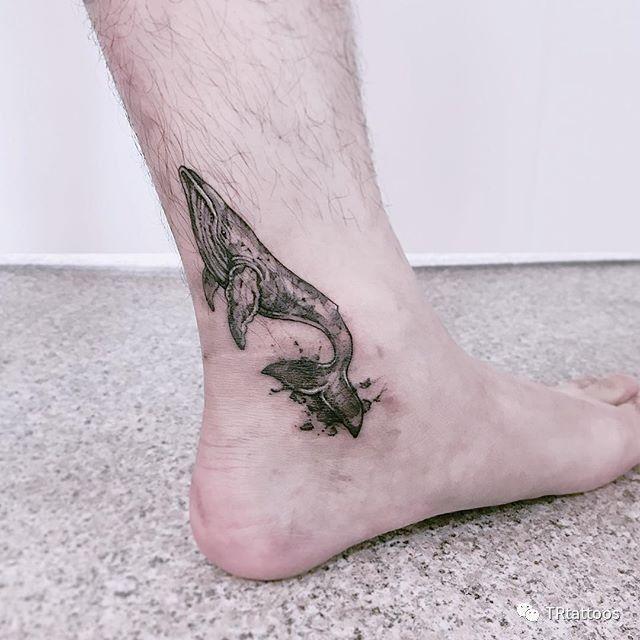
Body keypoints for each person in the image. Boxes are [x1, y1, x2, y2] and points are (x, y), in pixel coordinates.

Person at [82, 0, 640, 580]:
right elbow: (240, 276)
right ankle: (402, 399)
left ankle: (316, 431)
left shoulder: (255, 278)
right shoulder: (248, 271)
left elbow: (244, 280)